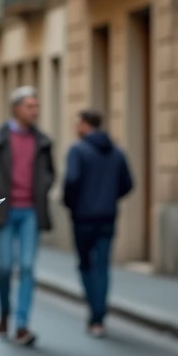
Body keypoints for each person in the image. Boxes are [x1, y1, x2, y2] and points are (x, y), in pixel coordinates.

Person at [0, 86, 55, 346]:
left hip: (31, 210)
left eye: (36, 106)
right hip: (5, 211)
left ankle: (22, 325)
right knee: (6, 267)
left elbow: (51, 171)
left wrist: (43, 184)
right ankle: (5, 313)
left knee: (28, 267)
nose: (35, 111)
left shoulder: (42, 140)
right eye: (30, 106)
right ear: (16, 108)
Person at [63, 109, 134, 337]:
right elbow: (128, 184)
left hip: (83, 217)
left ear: (84, 125)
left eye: (77, 123)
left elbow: (71, 181)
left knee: (85, 264)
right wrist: (109, 197)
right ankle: (99, 317)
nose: (75, 128)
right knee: (102, 266)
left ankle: (94, 311)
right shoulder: (116, 151)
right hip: (107, 216)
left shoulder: (77, 150)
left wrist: (71, 204)